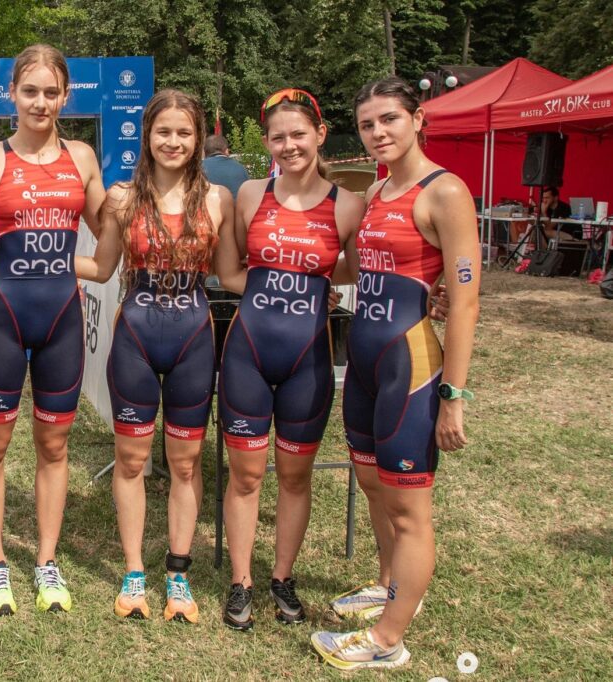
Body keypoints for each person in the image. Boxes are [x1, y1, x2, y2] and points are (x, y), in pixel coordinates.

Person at [312, 76, 479, 670]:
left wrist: (453, 396)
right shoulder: (378, 190)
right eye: (367, 124)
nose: (378, 132)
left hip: (410, 368)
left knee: (410, 506)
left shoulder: (446, 191)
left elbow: (464, 302)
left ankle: (389, 640)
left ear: (418, 119)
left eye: (389, 120)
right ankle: (388, 585)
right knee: (371, 480)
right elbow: (358, 271)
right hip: (362, 359)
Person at [0, 43, 106, 616]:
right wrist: (1, 256)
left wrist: (128, 210)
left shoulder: (84, 157)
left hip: (62, 320)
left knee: (54, 443)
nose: (41, 102)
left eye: (51, 92)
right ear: (11, 94)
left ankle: (47, 560)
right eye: (30, 91)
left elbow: (106, 232)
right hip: (2, 314)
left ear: (65, 96)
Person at [75, 89, 228, 623]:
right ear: (147, 135)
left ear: (199, 137)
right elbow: (99, 267)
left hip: (193, 338)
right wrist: (35, 256)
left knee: (185, 464)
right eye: (163, 131)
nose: (173, 141)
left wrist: (318, 281)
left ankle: (178, 574)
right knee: (133, 460)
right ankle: (135, 571)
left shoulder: (216, 201)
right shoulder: (121, 198)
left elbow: (232, 276)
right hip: (136, 338)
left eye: (184, 132)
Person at [216, 88, 364, 631]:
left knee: (295, 478)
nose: (289, 145)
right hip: (248, 353)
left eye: (298, 134)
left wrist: (314, 279)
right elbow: (230, 271)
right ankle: (241, 582)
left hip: (308, 361)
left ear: (320, 135)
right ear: (266, 143)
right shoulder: (252, 194)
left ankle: (282, 576)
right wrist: (278, 282)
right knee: (246, 475)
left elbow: (357, 268)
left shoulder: (348, 203)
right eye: (278, 136)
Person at [201, 134, 250, 200]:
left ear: (205, 152)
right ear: (226, 151)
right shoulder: (240, 169)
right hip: (234, 209)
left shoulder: (198, 169)